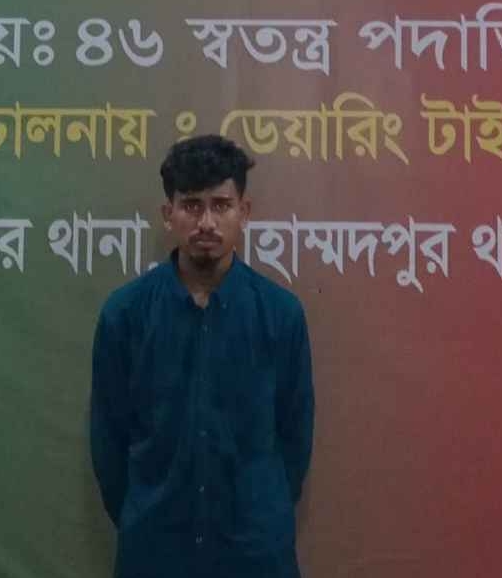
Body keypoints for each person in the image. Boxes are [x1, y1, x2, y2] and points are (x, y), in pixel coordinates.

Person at [90, 134, 315, 578]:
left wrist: (260, 513)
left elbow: (295, 437)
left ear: (243, 212)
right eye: (192, 205)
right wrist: (145, 515)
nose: (206, 222)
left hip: (256, 555)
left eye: (221, 205)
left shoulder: (281, 315)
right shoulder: (126, 315)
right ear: (168, 214)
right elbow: (108, 441)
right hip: (154, 553)